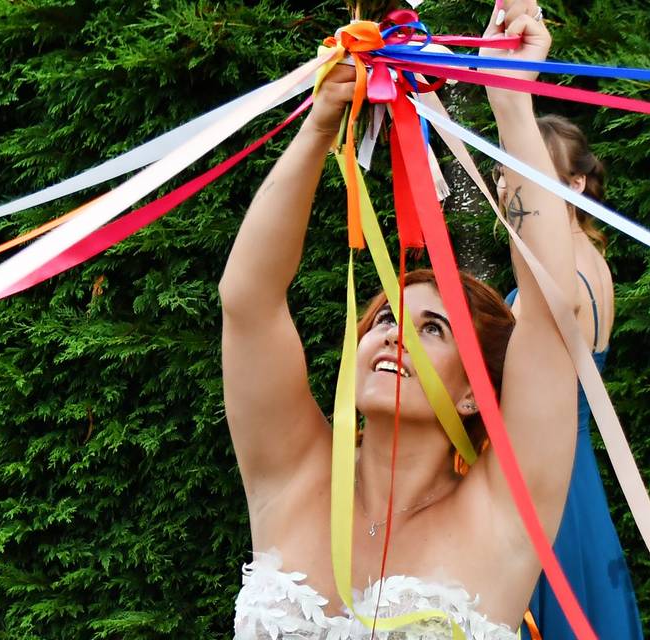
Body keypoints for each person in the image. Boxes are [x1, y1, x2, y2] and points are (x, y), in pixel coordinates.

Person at [220, 2, 580, 637]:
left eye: (433, 328)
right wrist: (319, 125)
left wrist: (512, 101)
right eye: (386, 317)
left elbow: (551, 311)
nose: (393, 333)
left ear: (475, 391)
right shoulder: (292, 472)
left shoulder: (504, 514)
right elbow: (247, 301)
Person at [499, 117, 644, 640]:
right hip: (571, 472)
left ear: (575, 183)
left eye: (528, 172)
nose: (508, 185)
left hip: (547, 484)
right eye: (504, 171)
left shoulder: (563, 280)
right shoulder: (591, 259)